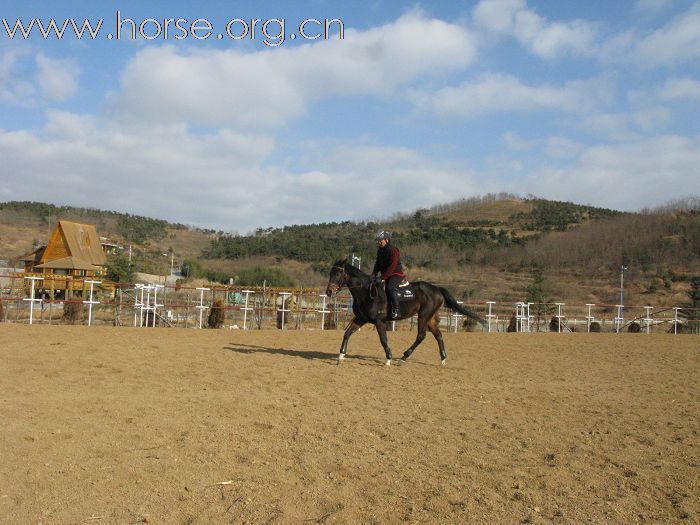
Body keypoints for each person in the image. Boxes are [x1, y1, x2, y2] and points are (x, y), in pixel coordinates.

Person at [371, 230, 404, 319]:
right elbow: (377, 264)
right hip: (385, 275)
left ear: (387, 240)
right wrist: (373, 274)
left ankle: (397, 310)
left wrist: (382, 277)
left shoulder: (394, 250)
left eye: (380, 240)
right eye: (377, 241)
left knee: (390, 287)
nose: (378, 242)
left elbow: (392, 266)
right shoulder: (380, 251)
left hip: (396, 274)